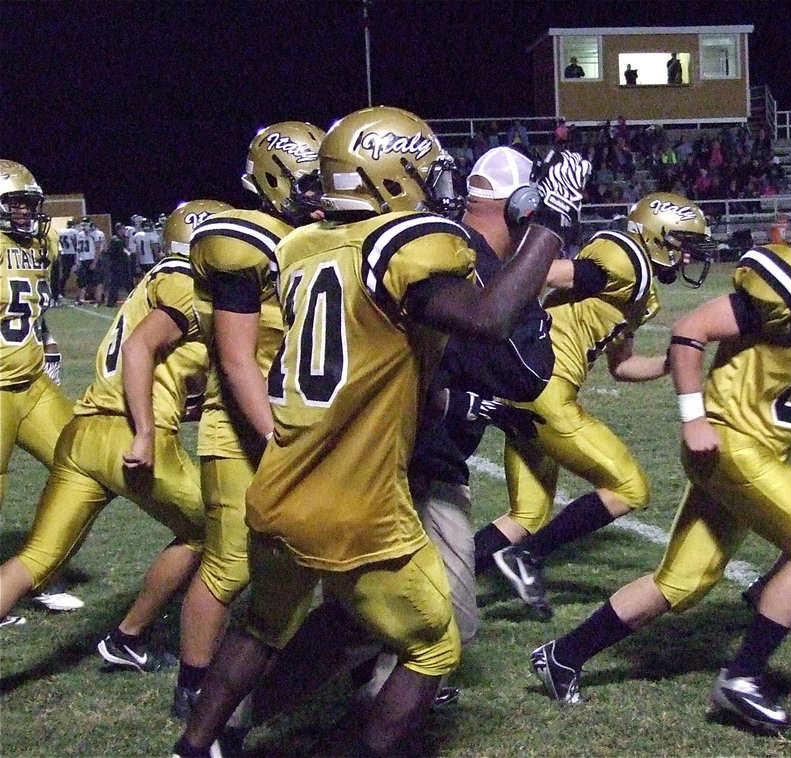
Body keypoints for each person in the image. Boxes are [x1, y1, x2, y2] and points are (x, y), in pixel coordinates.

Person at [172, 106, 590, 758]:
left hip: (281, 481)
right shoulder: (400, 246)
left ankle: (198, 746)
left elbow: (380, 355)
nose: (435, 183)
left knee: (262, 622)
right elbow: (489, 317)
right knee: (435, 642)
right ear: (391, 177)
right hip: (355, 503)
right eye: (422, 170)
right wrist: (551, 222)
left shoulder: (302, 249)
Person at [528, 181, 791, 733]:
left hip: (763, 449)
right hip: (728, 439)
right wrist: (694, 416)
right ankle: (742, 678)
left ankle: (563, 656)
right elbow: (689, 331)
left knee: (683, 582)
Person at [0, 200, 220, 658]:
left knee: (34, 561)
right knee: (212, 530)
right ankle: (130, 636)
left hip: (83, 432)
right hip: (131, 437)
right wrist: (145, 431)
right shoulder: (188, 287)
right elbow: (140, 350)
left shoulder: (154, 280)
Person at [483, 193, 718, 620]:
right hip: (545, 389)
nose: (687, 258)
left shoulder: (638, 286)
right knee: (630, 488)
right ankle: (526, 558)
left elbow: (623, 366)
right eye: (683, 244)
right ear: (656, 235)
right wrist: (514, 324)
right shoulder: (625, 259)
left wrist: (676, 360)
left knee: (528, 514)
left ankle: (446, 579)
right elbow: (544, 272)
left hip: (528, 390)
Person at [173, 120, 327, 720]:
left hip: (297, 423)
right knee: (231, 561)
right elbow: (237, 361)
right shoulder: (244, 240)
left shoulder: (316, 239)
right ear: (272, 179)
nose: (321, 194)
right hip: (242, 426)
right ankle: (194, 681)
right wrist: (274, 436)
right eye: (310, 182)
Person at [0, 160, 84, 625]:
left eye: (28, 205)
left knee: (81, 464)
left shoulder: (40, 242)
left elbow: (35, 305)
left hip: (31, 382)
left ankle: (36, 571)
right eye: (14, 204)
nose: (24, 213)